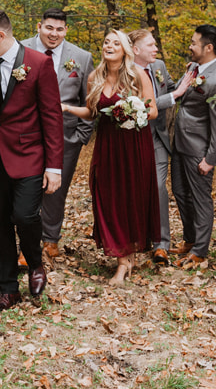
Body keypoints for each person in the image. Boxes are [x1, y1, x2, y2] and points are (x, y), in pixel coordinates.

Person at [0, 9, 64, 312]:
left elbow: (52, 117)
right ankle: (8, 288)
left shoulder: (38, 63)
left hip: (29, 156)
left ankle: (35, 264)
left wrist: (53, 167)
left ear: (0, 35)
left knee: (25, 216)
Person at [63, 30, 160, 284]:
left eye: (116, 43)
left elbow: (153, 111)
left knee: (130, 198)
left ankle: (123, 262)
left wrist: (132, 111)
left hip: (134, 144)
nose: (109, 45)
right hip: (107, 145)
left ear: (125, 49)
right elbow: (92, 111)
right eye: (106, 41)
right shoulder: (95, 76)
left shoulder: (137, 75)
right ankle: (124, 253)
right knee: (106, 196)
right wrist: (66, 108)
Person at [21, 9, 94, 260]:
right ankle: (26, 244)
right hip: (27, 134)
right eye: (49, 28)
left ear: (66, 30)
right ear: (39, 26)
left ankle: (50, 240)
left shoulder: (82, 58)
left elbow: (89, 100)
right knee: (26, 187)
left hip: (66, 137)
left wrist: (81, 136)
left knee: (55, 190)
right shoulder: (20, 49)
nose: (54, 34)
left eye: (60, 29)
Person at [129, 28, 193, 265]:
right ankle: (138, 238)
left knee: (158, 187)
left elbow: (174, 89)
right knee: (135, 189)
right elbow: (147, 104)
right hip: (132, 138)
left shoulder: (159, 67)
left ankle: (161, 244)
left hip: (157, 138)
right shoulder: (124, 71)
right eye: (151, 45)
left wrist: (190, 76)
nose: (156, 48)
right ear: (136, 50)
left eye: (155, 45)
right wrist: (176, 94)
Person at [171, 24, 216, 269]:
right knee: (180, 193)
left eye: (194, 43)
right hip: (179, 143)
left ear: (208, 47)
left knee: (200, 199)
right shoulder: (194, 69)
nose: (190, 46)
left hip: (199, 150)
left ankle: (200, 250)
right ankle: (190, 239)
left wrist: (210, 159)